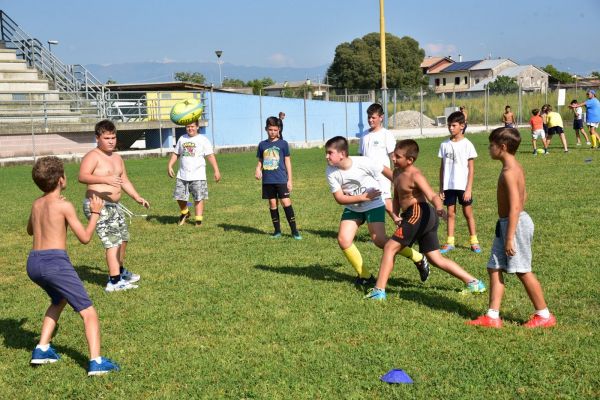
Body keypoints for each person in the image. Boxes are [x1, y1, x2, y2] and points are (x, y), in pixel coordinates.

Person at [27, 156, 120, 375]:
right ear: (61, 180)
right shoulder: (64, 205)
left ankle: (42, 349)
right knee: (89, 312)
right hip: (55, 263)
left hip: (33, 263)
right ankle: (96, 362)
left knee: (59, 300)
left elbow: (30, 231)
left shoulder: (36, 203)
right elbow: (85, 237)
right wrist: (95, 213)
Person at [365, 139, 486, 300]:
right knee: (435, 258)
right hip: (416, 216)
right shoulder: (397, 172)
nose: (393, 159)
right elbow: (397, 197)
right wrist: (395, 215)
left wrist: (439, 208)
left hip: (420, 213)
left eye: (398, 157)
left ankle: (379, 291)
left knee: (390, 247)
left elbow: (431, 195)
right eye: (393, 155)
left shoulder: (415, 175)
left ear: (410, 160)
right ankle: (474, 282)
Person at [467, 127, 556, 328]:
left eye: (491, 145)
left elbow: (516, 204)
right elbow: (523, 196)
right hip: (507, 223)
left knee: (522, 270)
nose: (489, 149)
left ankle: (544, 315)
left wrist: (509, 237)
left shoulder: (509, 172)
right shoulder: (515, 166)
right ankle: (492, 316)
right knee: (494, 267)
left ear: (503, 147)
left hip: (515, 225)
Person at [325, 136, 428, 287]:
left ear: (342, 153)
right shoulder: (331, 171)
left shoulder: (363, 162)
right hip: (354, 206)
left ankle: (418, 257)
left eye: (330, 153)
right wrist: (362, 197)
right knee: (343, 240)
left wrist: (404, 185)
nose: (326, 156)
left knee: (379, 240)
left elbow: (389, 173)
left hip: (374, 204)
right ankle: (365, 276)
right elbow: (340, 198)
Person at [79, 120, 149, 292]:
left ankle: (119, 270)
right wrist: (104, 179)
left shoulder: (117, 158)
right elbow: (82, 176)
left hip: (114, 206)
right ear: (97, 138)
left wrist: (136, 196)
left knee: (123, 238)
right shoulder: (93, 156)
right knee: (113, 242)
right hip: (98, 204)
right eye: (107, 138)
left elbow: (124, 180)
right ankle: (114, 281)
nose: (111, 141)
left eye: (113, 137)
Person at [438, 111, 481, 254]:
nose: (451, 128)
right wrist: (441, 188)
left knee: (467, 213)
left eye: (454, 125)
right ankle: (450, 241)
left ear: (462, 126)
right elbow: (442, 167)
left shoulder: (467, 144)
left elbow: (471, 169)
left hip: (463, 186)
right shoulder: (444, 144)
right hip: (449, 186)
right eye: (449, 125)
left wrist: (469, 188)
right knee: (450, 213)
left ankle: (474, 241)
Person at [167, 119, 221, 227]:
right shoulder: (182, 138)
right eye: (188, 126)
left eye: (192, 126)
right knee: (179, 196)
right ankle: (185, 212)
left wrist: (216, 170)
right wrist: (170, 165)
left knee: (198, 198)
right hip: (182, 174)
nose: (190, 128)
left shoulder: (203, 140)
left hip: (198, 175)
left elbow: (210, 155)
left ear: (197, 127)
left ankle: (198, 221)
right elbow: (176, 153)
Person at [255, 116, 301, 239]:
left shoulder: (283, 144)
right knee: (272, 203)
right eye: (270, 129)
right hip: (268, 180)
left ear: (279, 130)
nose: (273, 132)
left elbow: (288, 162)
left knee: (286, 202)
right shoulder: (262, 145)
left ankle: (294, 230)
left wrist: (289, 180)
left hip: (281, 179)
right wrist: (258, 169)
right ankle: (277, 231)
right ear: (266, 129)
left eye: (275, 130)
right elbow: (260, 160)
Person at [358, 103, 397, 221]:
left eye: (373, 117)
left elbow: (393, 157)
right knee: (365, 202)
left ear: (381, 117)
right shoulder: (364, 135)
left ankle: (402, 226)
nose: (370, 120)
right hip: (366, 176)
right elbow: (361, 156)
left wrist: (395, 176)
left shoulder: (386, 134)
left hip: (382, 176)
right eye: (369, 117)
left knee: (386, 203)